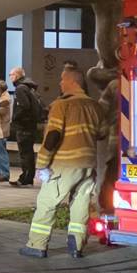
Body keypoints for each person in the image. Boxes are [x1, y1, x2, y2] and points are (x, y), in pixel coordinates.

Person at [22, 63, 113, 259]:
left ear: (73, 82)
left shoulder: (61, 105)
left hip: (64, 164)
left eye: (63, 80)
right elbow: (103, 133)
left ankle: (36, 245)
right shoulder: (94, 106)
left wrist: (42, 164)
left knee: (47, 203)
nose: (60, 84)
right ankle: (77, 246)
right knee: (81, 204)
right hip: (87, 165)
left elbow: (52, 136)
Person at [9, 68, 46, 187]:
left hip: (24, 125)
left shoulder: (20, 88)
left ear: (17, 75)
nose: (10, 76)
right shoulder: (29, 87)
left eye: (11, 74)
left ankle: (26, 179)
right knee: (28, 152)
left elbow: (24, 106)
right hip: (31, 125)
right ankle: (27, 177)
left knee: (25, 153)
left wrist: (15, 117)